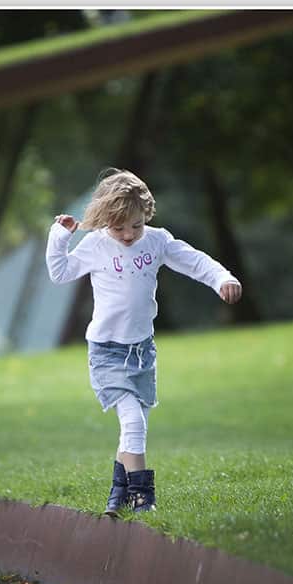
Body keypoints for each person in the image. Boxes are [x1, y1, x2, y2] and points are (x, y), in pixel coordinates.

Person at [46, 168, 242, 514]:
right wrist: (59, 237)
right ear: (105, 219)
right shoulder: (96, 245)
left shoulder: (156, 241)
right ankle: (142, 500)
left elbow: (194, 260)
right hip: (107, 352)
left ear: (145, 215)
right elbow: (60, 272)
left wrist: (222, 278)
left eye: (135, 226)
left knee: (134, 429)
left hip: (142, 352)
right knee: (133, 422)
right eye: (118, 227)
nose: (127, 234)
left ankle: (117, 497)